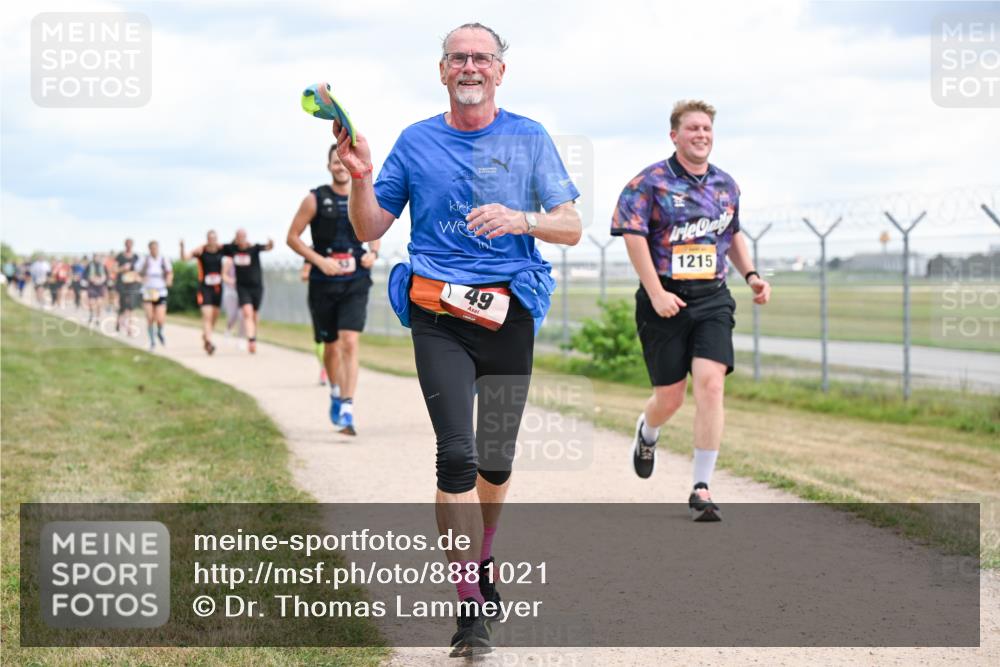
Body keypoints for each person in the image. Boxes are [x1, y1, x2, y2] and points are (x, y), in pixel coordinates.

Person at [335, 22, 581, 655]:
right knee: (458, 456)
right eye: (458, 58)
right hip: (438, 312)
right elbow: (369, 228)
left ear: (500, 70)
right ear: (442, 70)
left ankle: (485, 556)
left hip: (508, 313)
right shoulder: (416, 142)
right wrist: (362, 176)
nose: (470, 66)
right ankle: (469, 605)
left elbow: (571, 225)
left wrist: (521, 218)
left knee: (495, 463)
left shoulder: (528, 138)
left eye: (482, 58)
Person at [611, 99, 772, 522]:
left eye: (707, 129)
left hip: (712, 297)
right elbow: (633, 237)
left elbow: (731, 234)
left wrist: (751, 274)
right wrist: (656, 292)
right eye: (693, 129)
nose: (701, 135)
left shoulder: (726, 185)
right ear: (675, 136)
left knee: (711, 384)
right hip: (663, 298)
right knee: (670, 398)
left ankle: (701, 486)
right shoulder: (648, 183)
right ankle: (648, 433)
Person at [287, 143, 380, 435]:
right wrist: (319, 261)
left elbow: (376, 228)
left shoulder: (363, 195)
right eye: (336, 163)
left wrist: (372, 253)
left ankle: (348, 407)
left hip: (355, 281)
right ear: (329, 166)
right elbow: (292, 237)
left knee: (349, 342)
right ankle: (335, 389)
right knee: (330, 346)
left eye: (344, 162)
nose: (341, 167)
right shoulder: (315, 199)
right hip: (323, 283)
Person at [221, 230, 273, 354]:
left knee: (254, 314)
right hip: (242, 287)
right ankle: (251, 340)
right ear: (236, 238)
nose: (241, 239)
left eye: (243, 236)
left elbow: (268, 247)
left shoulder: (254, 248)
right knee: (246, 313)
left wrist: (271, 243)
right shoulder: (232, 250)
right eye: (239, 237)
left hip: (257, 287)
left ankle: (253, 335)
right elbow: (216, 247)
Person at [180, 231, 226, 355]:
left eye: (214, 238)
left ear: (217, 239)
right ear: (207, 239)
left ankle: (206, 335)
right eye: (210, 238)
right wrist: (182, 247)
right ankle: (209, 342)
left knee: (214, 317)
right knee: (207, 316)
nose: (212, 240)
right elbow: (184, 258)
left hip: (218, 289)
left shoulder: (221, 250)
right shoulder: (201, 251)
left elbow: (236, 249)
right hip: (205, 288)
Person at [139, 240, 173, 350]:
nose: (154, 250)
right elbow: (138, 273)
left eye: (156, 248)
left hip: (160, 291)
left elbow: (169, 273)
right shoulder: (144, 260)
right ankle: (152, 342)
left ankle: (159, 332)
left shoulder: (164, 260)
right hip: (148, 291)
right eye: (152, 248)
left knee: (160, 318)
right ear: (149, 249)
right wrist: (142, 278)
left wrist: (169, 280)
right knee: (149, 318)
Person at [115, 239, 142, 335]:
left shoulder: (136, 257)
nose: (129, 246)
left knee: (131, 306)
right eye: (127, 244)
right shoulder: (120, 256)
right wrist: (123, 268)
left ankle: (129, 328)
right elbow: (114, 269)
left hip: (133, 284)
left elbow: (139, 270)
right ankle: (119, 321)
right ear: (125, 245)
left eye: (130, 244)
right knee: (123, 306)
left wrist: (139, 277)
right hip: (122, 284)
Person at [84, 253, 109, 325]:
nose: (97, 258)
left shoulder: (103, 266)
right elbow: (85, 275)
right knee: (91, 302)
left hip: (100, 286)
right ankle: (91, 314)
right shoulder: (89, 266)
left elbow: (106, 276)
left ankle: (98, 318)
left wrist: (104, 282)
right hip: (92, 286)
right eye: (95, 257)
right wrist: (89, 279)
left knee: (99, 303)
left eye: (98, 257)